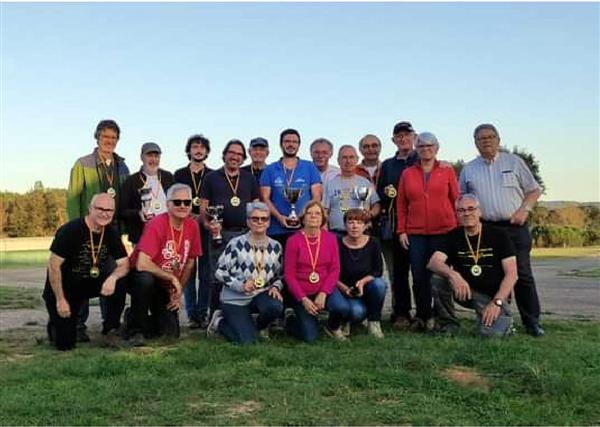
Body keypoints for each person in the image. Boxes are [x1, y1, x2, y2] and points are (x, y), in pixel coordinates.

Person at [459, 123, 544, 337]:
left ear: (498, 139)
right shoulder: (469, 169)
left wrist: (525, 210)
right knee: (492, 275)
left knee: (521, 274)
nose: (486, 141)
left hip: (514, 226)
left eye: (490, 137)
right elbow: (462, 199)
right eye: (481, 138)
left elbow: (534, 190)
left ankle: (532, 322)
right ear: (475, 143)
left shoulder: (514, 162)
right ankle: (499, 318)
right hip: (486, 229)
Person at [67, 119, 130, 342]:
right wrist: (76, 229)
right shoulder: (82, 163)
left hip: (112, 232)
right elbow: (73, 197)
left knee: (114, 275)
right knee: (81, 276)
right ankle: (77, 325)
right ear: (97, 138)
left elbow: (125, 198)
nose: (109, 141)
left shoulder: (122, 166)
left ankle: (110, 325)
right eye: (105, 137)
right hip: (87, 231)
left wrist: (124, 228)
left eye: (113, 138)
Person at [43, 193, 129, 350]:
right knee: (65, 345)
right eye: (100, 209)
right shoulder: (70, 230)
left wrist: (112, 278)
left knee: (121, 280)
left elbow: (124, 264)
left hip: (91, 282)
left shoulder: (111, 232)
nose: (105, 213)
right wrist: (60, 299)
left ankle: (111, 328)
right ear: (90, 208)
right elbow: (54, 266)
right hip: (66, 286)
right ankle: (56, 324)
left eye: (109, 210)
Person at [427, 194, 518, 337]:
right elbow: (433, 262)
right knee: (438, 278)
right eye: (461, 210)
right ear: (457, 214)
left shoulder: (499, 235)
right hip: (465, 291)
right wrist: (453, 275)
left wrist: (497, 302)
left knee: (490, 335)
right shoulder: (453, 236)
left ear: (479, 211)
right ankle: (449, 324)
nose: (466, 213)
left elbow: (512, 274)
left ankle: (501, 320)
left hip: (492, 295)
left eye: (471, 209)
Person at [124, 184, 202, 345]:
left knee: (170, 333)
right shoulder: (156, 224)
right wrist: (172, 279)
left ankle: (133, 317)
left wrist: (177, 292)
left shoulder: (192, 226)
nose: (182, 206)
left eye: (187, 202)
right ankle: (135, 331)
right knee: (145, 279)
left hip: (163, 283)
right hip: (139, 277)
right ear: (168, 204)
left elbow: (189, 263)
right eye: (177, 202)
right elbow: (142, 263)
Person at [397, 132, 459, 332]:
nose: (426, 149)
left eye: (430, 145)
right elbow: (401, 204)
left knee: (440, 276)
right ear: (416, 149)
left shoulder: (447, 170)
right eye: (422, 146)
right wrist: (402, 230)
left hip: (444, 231)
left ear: (437, 148)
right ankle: (424, 316)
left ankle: (444, 317)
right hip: (416, 233)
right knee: (419, 276)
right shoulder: (407, 173)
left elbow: (456, 199)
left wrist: (458, 229)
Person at [207, 201, 284, 343]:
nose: (260, 222)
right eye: (255, 219)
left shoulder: (276, 247)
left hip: (260, 294)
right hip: (235, 299)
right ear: (248, 222)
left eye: (264, 219)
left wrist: (275, 286)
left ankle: (259, 326)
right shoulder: (236, 244)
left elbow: (279, 275)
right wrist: (240, 285)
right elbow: (219, 272)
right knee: (246, 342)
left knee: (275, 306)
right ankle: (219, 322)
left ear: (268, 222)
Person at [200, 140, 260, 316]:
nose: (235, 157)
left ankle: (239, 315)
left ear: (243, 158)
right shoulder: (211, 177)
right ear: (225, 154)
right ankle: (215, 316)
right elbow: (203, 208)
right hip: (220, 234)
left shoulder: (249, 178)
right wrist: (208, 225)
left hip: (245, 234)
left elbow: (256, 205)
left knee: (243, 274)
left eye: (240, 154)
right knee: (217, 275)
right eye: (232, 153)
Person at [376, 121, 418, 329]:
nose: (403, 139)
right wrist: (386, 193)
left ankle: (425, 312)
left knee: (421, 272)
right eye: (399, 136)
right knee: (399, 273)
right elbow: (380, 192)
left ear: (414, 137)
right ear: (393, 140)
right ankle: (402, 312)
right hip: (396, 225)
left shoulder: (422, 159)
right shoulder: (387, 165)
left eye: (407, 135)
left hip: (419, 225)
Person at [283, 201, 344, 342]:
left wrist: (323, 293)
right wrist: (303, 299)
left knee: (341, 307)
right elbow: (289, 275)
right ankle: (291, 320)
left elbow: (335, 269)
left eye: (317, 213)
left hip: (324, 288)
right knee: (310, 337)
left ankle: (332, 327)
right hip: (302, 291)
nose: (313, 216)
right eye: (309, 213)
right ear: (303, 218)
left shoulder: (331, 239)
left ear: (323, 218)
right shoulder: (293, 241)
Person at [174, 134, 213, 329]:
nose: (198, 150)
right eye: (195, 147)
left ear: (206, 152)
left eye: (202, 147)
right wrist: (188, 215)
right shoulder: (179, 174)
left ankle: (202, 313)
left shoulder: (213, 174)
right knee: (188, 271)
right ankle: (191, 314)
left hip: (206, 227)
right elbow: (174, 199)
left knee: (206, 272)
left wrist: (203, 217)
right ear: (189, 151)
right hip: (185, 226)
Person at [260, 129, 322, 249]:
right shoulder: (270, 169)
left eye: (294, 142)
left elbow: (316, 197)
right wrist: (279, 217)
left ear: (299, 145)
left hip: (304, 229)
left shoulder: (310, 167)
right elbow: (265, 198)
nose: (291, 144)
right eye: (287, 141)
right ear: (281, 144)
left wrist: (303, 217)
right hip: (276, 229)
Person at [333, 209, 386, 339]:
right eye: (350, 222)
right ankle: (347, 319)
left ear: (365, 226)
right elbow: (331, 272)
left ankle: (374, 322)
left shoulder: (373, 243)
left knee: (380, 284)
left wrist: (362, 282)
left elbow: (378, 270)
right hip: (345, 290)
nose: (354, 226)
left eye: (359, 222)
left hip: (367, 287)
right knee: (357, 313)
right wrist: (345, 289)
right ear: (345, 225)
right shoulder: (337, 243)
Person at [120, 142, 174, 245]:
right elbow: (122, 211)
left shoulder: (168, 177)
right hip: (142, 237)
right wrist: (138, 213)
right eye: (149, 155)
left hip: (168, 234)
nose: (153, 160)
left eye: (156, 156)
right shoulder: (131, 181)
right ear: (142, 157)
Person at [322, 145, 380, 236]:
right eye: (344, 158)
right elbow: (325, 210)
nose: (348, 161)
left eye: (351, 157)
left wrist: (371, 214)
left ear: (357, 159)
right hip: (337, 233)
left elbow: (376, 204)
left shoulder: (365, 182)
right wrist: (325, 233)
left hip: (362, 234)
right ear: (338, 161)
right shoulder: (330, 184)